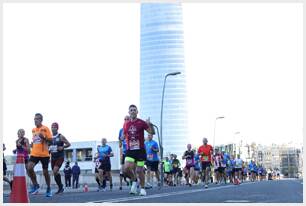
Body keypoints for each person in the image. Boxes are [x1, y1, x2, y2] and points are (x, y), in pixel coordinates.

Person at [123, 104, 155, 196]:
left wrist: (150, 125)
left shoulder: (141, 122)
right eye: (131, 110)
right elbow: (124, 135)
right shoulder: (126, 124)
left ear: (137, 112)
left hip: (140, 150)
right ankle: (134, 180)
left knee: (139, 171)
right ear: (129, 112)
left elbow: (152, 132)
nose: (133, 111)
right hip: (130, 150)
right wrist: (122, 138)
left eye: (134, 110)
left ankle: (142, 188)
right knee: (126, 169)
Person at [27, 113, 53, 197]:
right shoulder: (33, 130)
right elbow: (35, 141)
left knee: (45, 172)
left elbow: (51, 141)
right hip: (34, 153)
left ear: (41, 120)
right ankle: (36, 185)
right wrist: (32, 145)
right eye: (34, 119)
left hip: (44, 154)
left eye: (37, 119)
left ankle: (48, 188)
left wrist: (44, 138)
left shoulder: (46, 129)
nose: (35, 120)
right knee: (29, 168)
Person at [49, 122, 71, 194]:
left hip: (60, 156)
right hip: (53, 157)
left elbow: (68, 144)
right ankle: (60, 187)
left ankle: (61, 187)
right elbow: (48, 146)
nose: (53, 128)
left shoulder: (60, 136)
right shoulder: (50, 137)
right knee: (55, 173)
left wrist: (63, 147)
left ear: (57, 128)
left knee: (55, 171)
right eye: (52, 127)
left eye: (54, 127)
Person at [119, 116, 130, 190]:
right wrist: (120, 143)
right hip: (124, 152)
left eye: (127, 119)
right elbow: (120, 139)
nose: (126, 120)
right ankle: (121, 185)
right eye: (125, 119)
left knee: (128, 168)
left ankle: (134, 181)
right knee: (122, 169)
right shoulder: (121, 130)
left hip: (131, 151)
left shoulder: (132, 128)